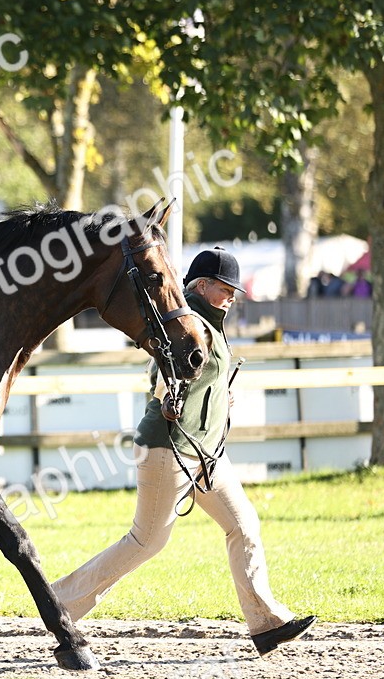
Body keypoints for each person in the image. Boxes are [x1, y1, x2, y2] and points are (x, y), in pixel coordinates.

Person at [53, 247, 315, 656]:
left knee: (243, 526)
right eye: (225, 288)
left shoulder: (212, 321)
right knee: (146, 542)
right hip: (168, 448)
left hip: (208, 452)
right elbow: (164, 369)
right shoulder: (184, 320)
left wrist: (219, 396)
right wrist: (168, 392)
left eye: (233, 290)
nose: (231, 296)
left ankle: (266, 624)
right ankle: (61, 603)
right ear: (201, 285)